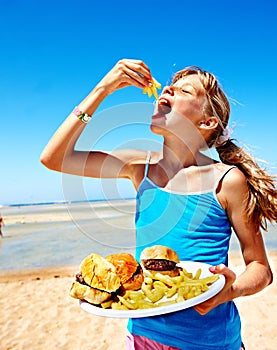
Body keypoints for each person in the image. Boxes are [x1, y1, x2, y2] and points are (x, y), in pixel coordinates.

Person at [40, 59, 276, 350]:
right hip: (143, 336)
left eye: (183, 91)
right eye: (169, 87)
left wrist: (232, 289)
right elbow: (53, 157)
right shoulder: (140, 168)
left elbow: (261, 268)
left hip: (209, 341)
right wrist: (103, 89)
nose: (168, 90)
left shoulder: (226, 181)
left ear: (207, 122)